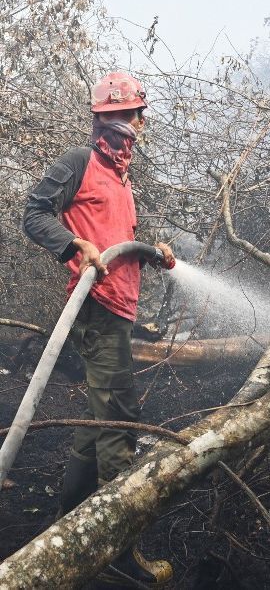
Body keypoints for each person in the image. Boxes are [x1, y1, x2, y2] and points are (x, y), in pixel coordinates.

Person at [23, 72, 175, 587]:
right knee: (119, 425)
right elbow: (34, 215)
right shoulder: (78, 162)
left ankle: (65, 523)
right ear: (99, 121)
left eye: (130, 117)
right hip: (97, 311)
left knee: (96, 420)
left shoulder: (123, 179)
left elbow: (116, 240)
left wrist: (151, 254)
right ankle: (116, 548)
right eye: (115, 118)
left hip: (118, 309)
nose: (124, 128)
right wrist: (75, 247)